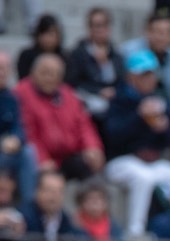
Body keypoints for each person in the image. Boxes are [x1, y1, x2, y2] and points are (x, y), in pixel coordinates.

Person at [104, 48, 170, 234]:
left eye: (151, 75)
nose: (149, 79)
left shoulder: (161, 100)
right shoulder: (119, 99)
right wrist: (139, 117)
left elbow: (167, 143)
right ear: (131, 77)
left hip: (153, 162)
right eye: (144, 75)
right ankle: (136, 230)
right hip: (122, 161)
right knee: (143, 178)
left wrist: (162, 128)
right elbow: (113, 137)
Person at [15, 52, 105, 180]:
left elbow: (84, 125)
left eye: (54, 74)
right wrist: (42, 159)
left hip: (67, 156)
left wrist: (92, 147)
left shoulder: (69, 94)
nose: (49, 78)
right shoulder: (21, 94)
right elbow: (28, 133)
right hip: (38, 160)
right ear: (33, 73)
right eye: (44, 73)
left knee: (91, 165)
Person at [19, 167, 91, 241]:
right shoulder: (23, 218)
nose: (54, 197)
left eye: (59, 191)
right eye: (49, 190)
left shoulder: (68, 222)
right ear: (37, 191)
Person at [64, 7, 125, 131]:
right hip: (88, 99)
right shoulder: (78, 54)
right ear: (89, 28)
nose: (99, 30)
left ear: (109, 28)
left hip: (113, 100)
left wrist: (105, 65)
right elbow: (73, 83)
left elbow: (121, 81)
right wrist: (98, 91)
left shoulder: (116, 55)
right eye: (95, 26)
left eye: (102, 25)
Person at [122, 7, 170, 108]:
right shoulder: (128, 51)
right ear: (147, 31)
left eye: (167, 32)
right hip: (133, 105)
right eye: (158, 32)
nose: (162, 37)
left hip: (169, 109)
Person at [74, 177, 133, 241]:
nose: (95, 203)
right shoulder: (75, 225)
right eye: (90, 199)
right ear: (81, 202)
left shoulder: (113, 226)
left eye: (99, 199)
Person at [0, 50, 36, 203]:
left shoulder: (12, 98)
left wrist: (16, 139)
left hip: (5, 153)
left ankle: (28, 207)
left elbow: (19, 128)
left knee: (28, 152)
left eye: (4, 68)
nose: (1, 72)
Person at [16, 12, 65, 81]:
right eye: (45, 34)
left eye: (52, 34)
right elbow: (23, 79)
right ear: (38, 35)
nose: (49, 39)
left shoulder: (65, 57)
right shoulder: (26, 56)